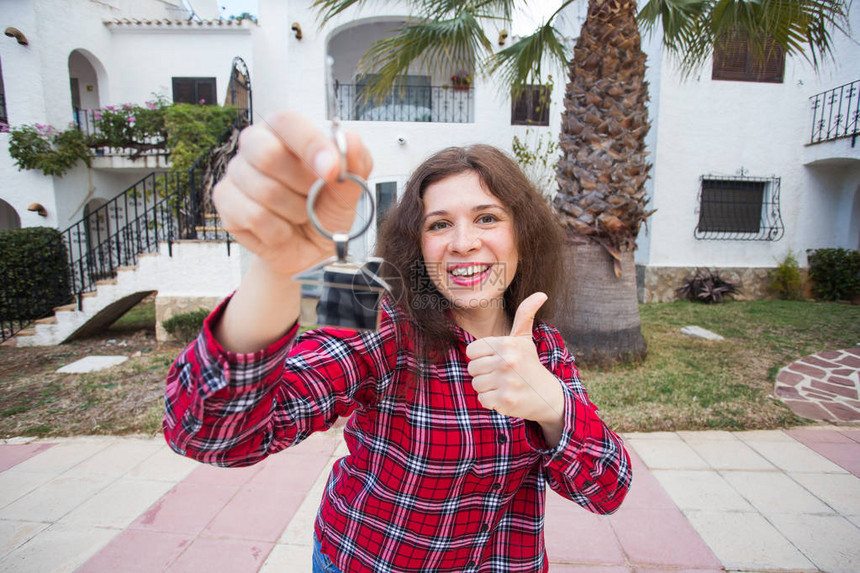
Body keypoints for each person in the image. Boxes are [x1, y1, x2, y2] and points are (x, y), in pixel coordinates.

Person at [163, 111, 632, 573]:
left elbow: (607, 489)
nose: (464, 242)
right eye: (439, 224)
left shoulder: (543, 344)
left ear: (522, 234)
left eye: (487, 217)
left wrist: (551, 405)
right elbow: (212, 435)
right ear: (415, 242)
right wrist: (279, 270)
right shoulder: (374, 298)